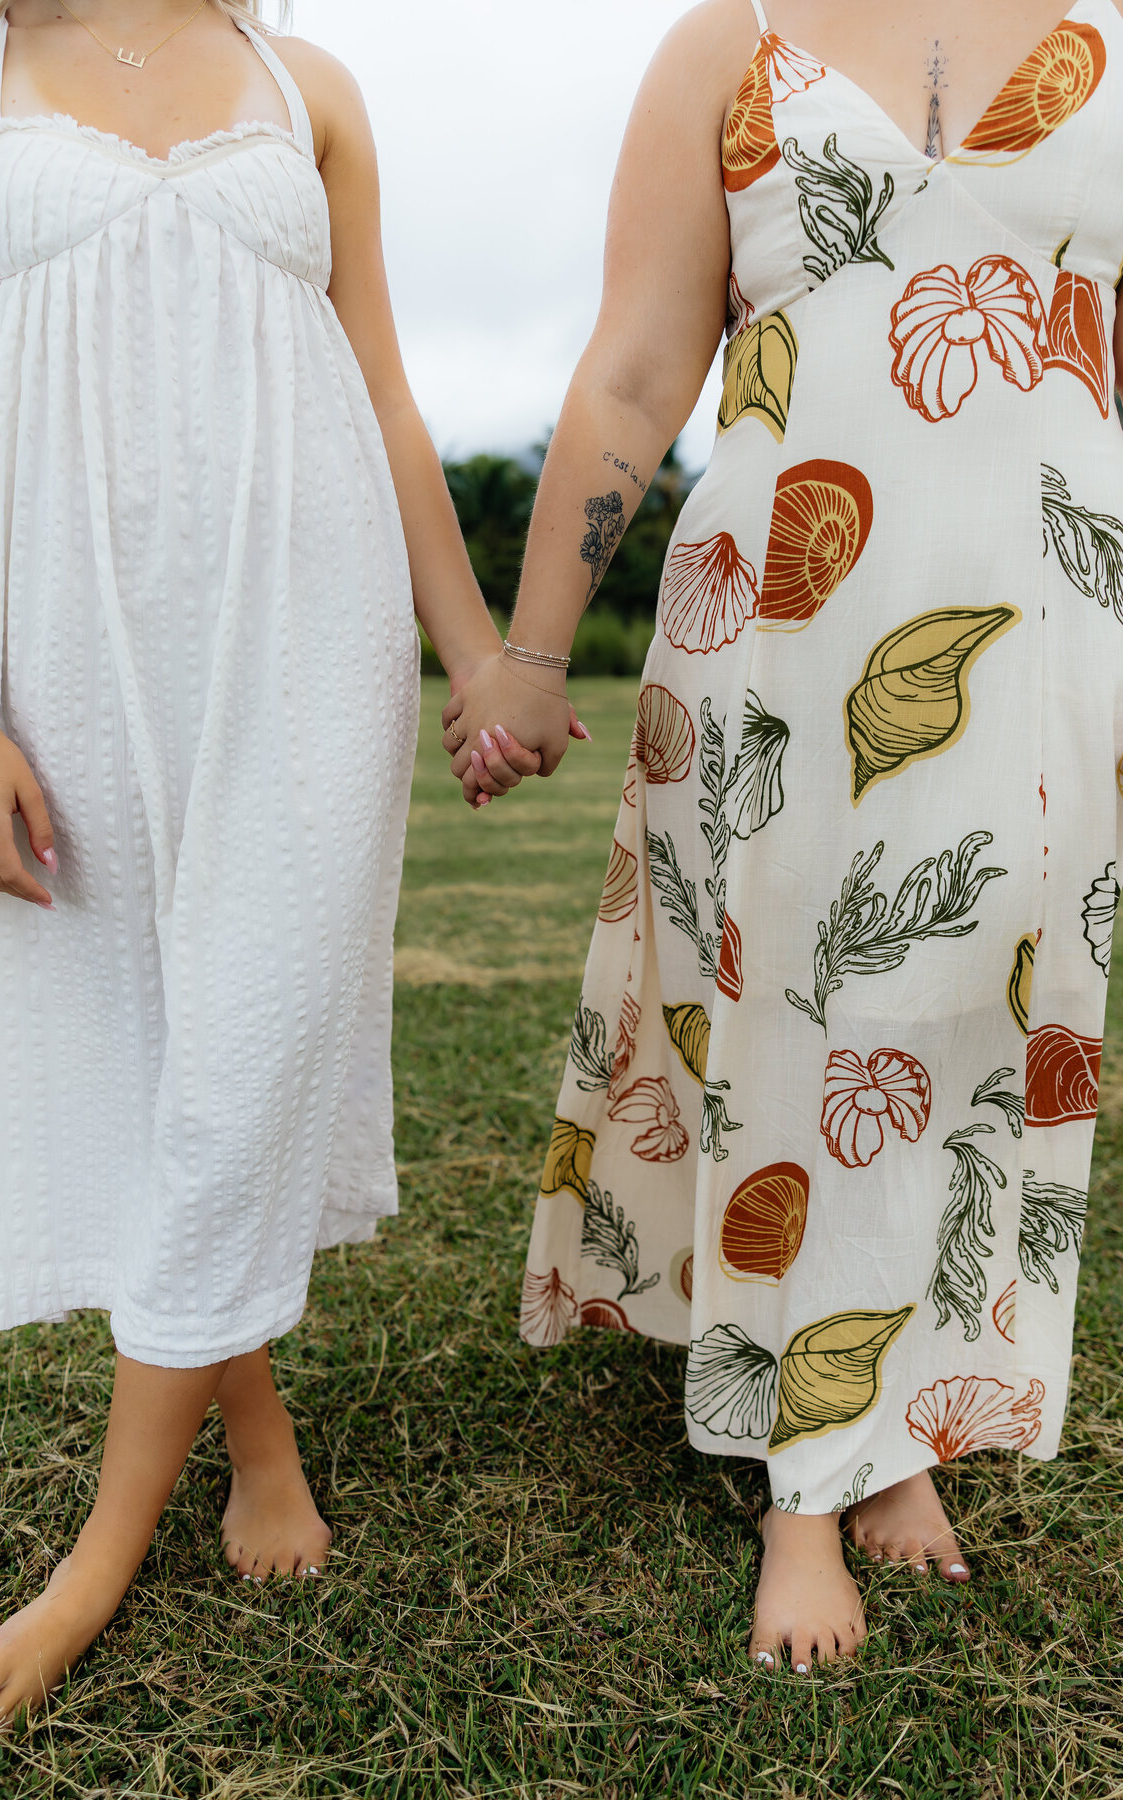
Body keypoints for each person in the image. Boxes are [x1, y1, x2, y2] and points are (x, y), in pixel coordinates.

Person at [444, 0, 1123, 1671]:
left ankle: (908, 1409)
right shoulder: (727, 43)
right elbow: (634, 364)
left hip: (1051, 603)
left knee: (988, 996)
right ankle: (808, 1484)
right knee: (803, 1007)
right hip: (790, 619)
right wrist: (530, 658)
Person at [0, 0, 556, 1733]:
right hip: (66, 636)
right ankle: (251, 1426)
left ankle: (103, 1551)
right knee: (157, 1054)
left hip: (306, 620)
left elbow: (392, 402)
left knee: (251, 1039)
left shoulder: (314, 89)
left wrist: (483, 654)